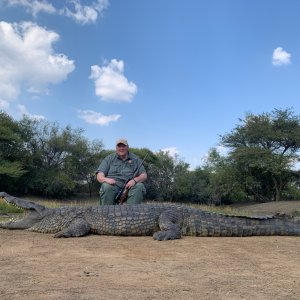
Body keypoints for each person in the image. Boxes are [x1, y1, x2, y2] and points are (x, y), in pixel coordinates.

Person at [96, 138, 147, 205]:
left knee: (139, 186)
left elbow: (144, 175)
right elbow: (99, 175)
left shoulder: (135, 159)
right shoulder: (109, 158)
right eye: (119, 146)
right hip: (113, 186)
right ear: (116, 148)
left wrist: (134, 180)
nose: (121, 148)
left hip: (129, 187)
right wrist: (106, 179)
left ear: (127, 147)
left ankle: (132, 213)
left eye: (123, 146)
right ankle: (106, 213)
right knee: (106, 186)